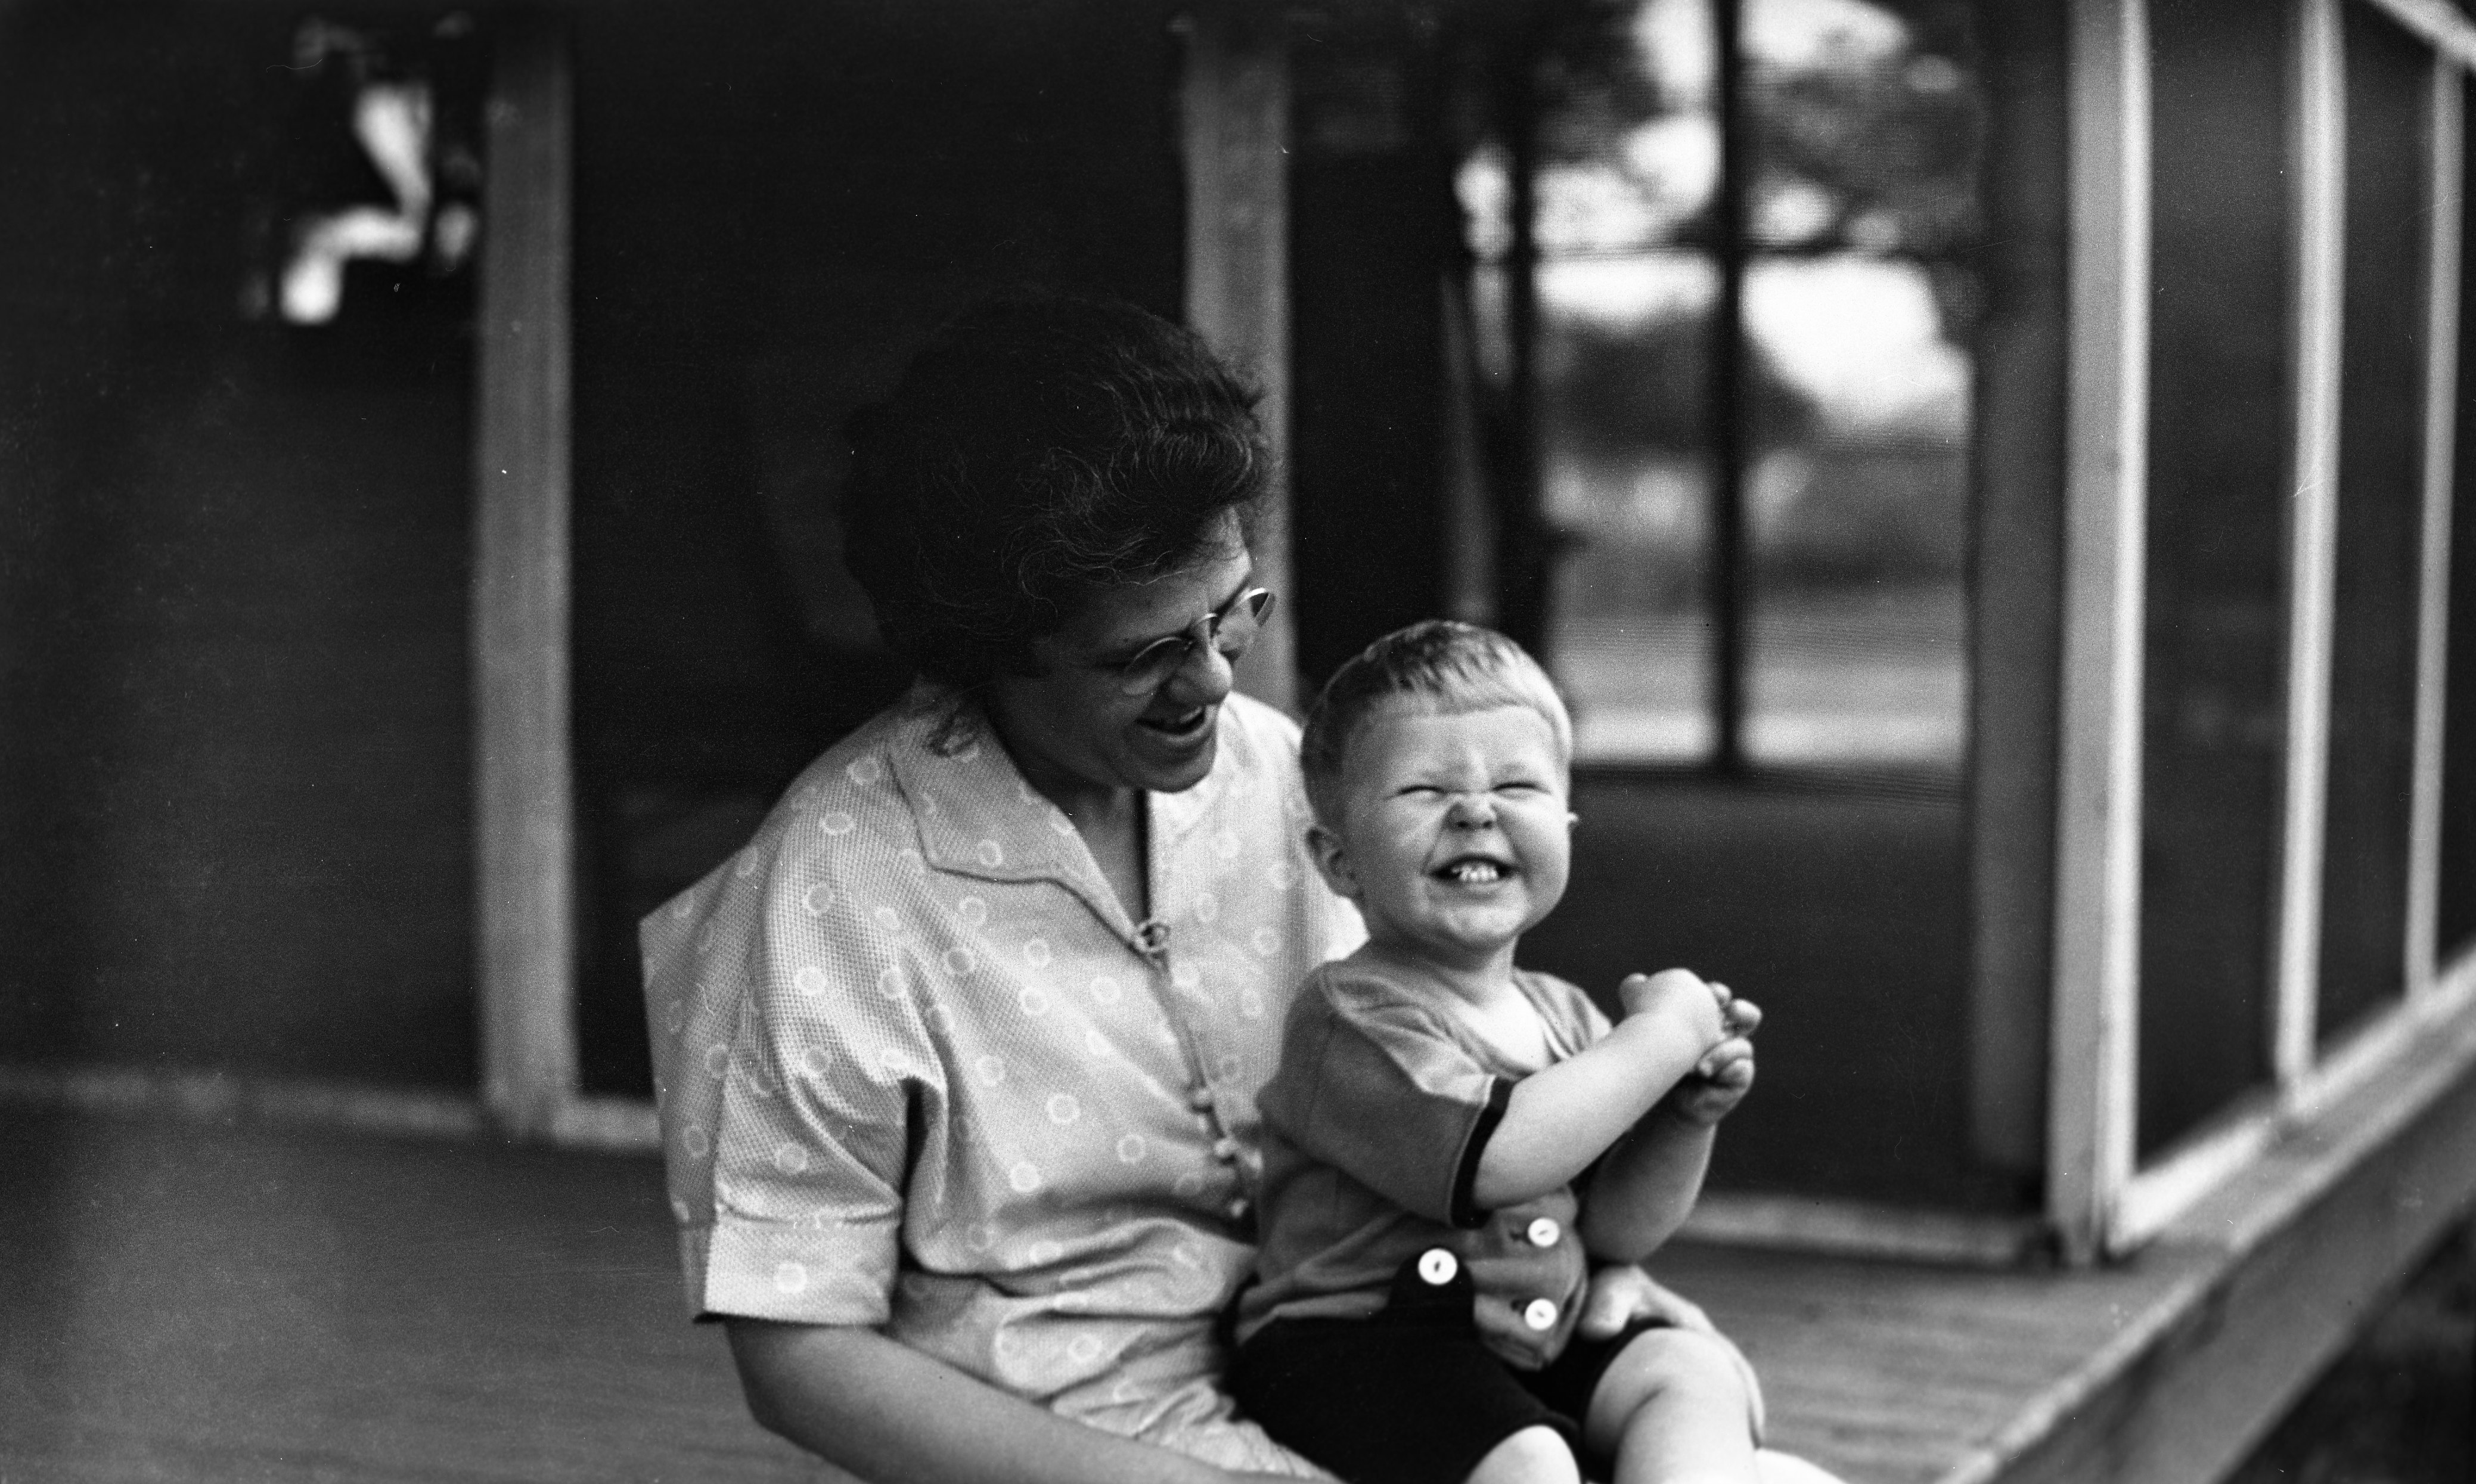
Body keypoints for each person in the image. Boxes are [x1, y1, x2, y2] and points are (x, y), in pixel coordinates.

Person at [639, 291, 1834, 1484]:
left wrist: (1574, 1262)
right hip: (1089, 1440)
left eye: (1231, 616)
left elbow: (1436, 1089)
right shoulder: (825, 893)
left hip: (1388, 1364)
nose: (1209, 681)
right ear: (985, 643)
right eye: (1144, 654)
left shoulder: (1284, 772)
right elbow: (797, 1358)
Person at [1230, 621, 1764, 1484]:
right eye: (1421, 789)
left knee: (1690, 1371)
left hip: (1529, 1333)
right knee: (1531, 1461)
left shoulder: (1566, 1016)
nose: (1475, 808)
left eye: (1515, 783)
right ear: (1339, 862)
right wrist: (1659, 1038)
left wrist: (1680, 1116)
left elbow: (1618, 1227)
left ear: (1565, 825)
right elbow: (1501, 1158)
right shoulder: (1350, 1016)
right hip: (1349, 1347)